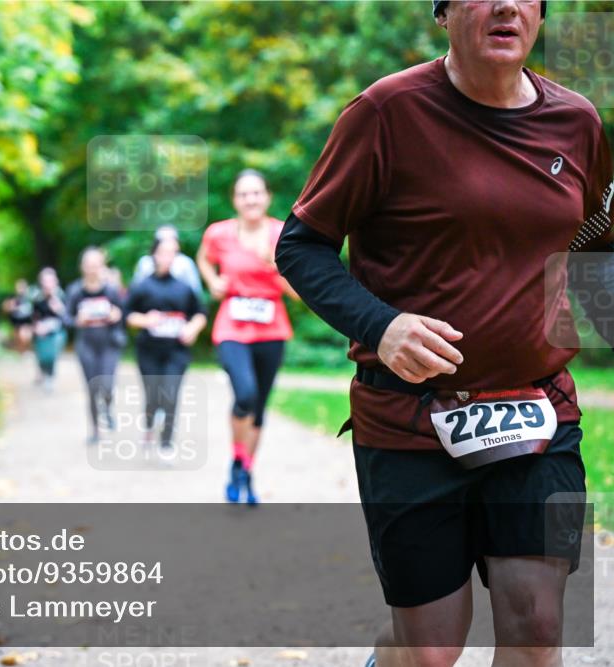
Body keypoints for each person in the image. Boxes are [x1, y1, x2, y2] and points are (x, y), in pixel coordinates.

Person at [275, 1, 611, 665]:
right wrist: (384, 323)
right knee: (427, 649)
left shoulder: (575, 121)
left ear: (541, 17)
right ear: (446, 11)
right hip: (408, 419)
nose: (508, 5)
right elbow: (302, 246)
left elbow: (599, 241)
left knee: (538, 624)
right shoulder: (386, 113)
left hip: (541, 410)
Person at [197, 169, 299, 505]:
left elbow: (300, 293)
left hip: (271, 327)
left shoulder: (282, 234)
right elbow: (204, 259)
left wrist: (276, 268)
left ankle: (245, 470)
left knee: (258, 408)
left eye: (256, 193)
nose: (250, 199)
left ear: (267, 197)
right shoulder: (219, 233)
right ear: (235, 200)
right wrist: (213, 281)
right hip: (232, 326)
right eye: (243, 194)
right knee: (245, 395)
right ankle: (238, 459)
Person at [126, 236, 207, 455]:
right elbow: (127, 315)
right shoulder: (142, 286)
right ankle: (150, 423)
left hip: (176, 351)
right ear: (154, 254)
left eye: (174, 253)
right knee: (153, 396)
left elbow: (200, 313)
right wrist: (145, 320)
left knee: (171, 394)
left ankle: (166, 442)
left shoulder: (184, 287)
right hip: (148, 350)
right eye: (164, 252)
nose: (169, 257)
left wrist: (192, 329)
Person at [65, 247, 124, 445]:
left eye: (96, 265)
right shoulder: (75, 291)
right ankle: (95, 431)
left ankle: (107, 408)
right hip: (86, 345)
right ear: (82, 267)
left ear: (102, 267)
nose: (92, 269)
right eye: (89, 266)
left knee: (106, 385)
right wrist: (76, 320)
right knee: (91, 388)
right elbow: (66, 318)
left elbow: (125, 312)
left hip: (108, 344)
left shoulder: (111, 291)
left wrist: (117, 315)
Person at [132, 225, 203, 296]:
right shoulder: (145, 262)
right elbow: (136, 289)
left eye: (171, 240)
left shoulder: (185, 263)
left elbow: (195, 291)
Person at [30, 267, 66, 392]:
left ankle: (50, 377)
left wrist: (59, 308)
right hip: (40, 332)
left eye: (50, 281)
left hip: (56, 332)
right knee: (42, 356)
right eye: (45, 281)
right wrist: (37, 327)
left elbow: (66, 318)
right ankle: (43, 371)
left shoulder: (61, 296)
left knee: (51, 355)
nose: (48, 284)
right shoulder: (37, 298)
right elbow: (34, 315)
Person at [3, 278, 34, 353]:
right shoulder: (12, 297)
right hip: (15, 323)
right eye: (19, 287)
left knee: (26, 337)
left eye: (22, 287)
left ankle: (24, 350)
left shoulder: (30, 298)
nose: (20, 289)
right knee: (19, 338)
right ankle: (20, 351)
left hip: (27, 322)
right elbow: (4, 308)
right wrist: (10, 307)